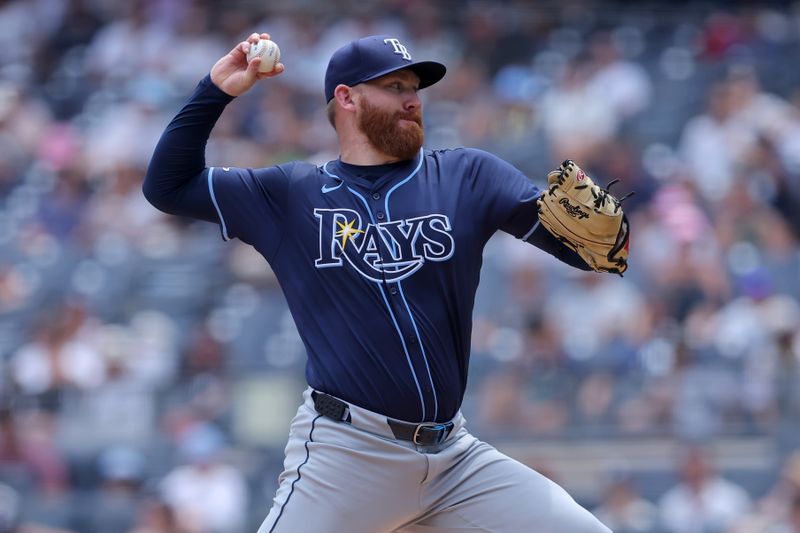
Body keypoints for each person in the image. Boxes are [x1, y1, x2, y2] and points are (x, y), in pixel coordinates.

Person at [144, 32, 613, 533]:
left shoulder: (466, 176)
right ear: (346, 98)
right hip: (347, 457)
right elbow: (166, 186)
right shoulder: (289, 194)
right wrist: (218, 89)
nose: (412, 98)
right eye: (393, 85)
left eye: (415, 87)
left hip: (455, 460)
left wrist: (603, 227)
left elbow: (592, 251)